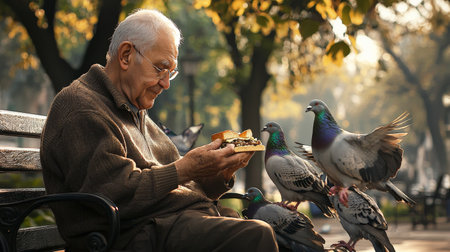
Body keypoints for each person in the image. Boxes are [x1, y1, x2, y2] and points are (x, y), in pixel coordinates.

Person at [40, 8, 278, 252]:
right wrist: (186, 167)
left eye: (170, 73)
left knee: (280, 234)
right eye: (160, 68)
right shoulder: (82, 107)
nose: (165, 83)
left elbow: (176, 185)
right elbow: (113, 194)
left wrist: (221, 173)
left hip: (164, 224)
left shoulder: (134, 109)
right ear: (125, 56)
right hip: (127, 236)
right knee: (257, 235)